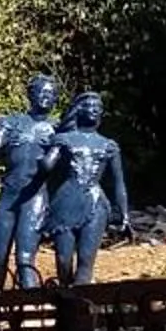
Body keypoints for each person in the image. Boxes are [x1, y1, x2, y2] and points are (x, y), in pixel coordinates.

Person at [0, 73, 63, 290]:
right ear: (31, 94)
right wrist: (10, 143)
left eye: (51, 94)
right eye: (42, 92)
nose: (47, 97)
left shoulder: (58, 128)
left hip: (35, 196)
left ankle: (32, 309)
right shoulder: (10, 122)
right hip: (9, 196)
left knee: (25, 258)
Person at [45, 91, 132, 285]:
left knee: (86, 261)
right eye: (89, 106)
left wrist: (123, 214)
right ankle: (66, 304)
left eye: (98, 108)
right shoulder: (64, 139)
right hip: (65, 202)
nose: (94, 110)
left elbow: (119, 182)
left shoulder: (108, 145)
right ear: (79, 110)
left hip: (95, 204)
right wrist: (53, 144)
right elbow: (45, 168)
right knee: (63, 260)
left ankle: (80, 307)